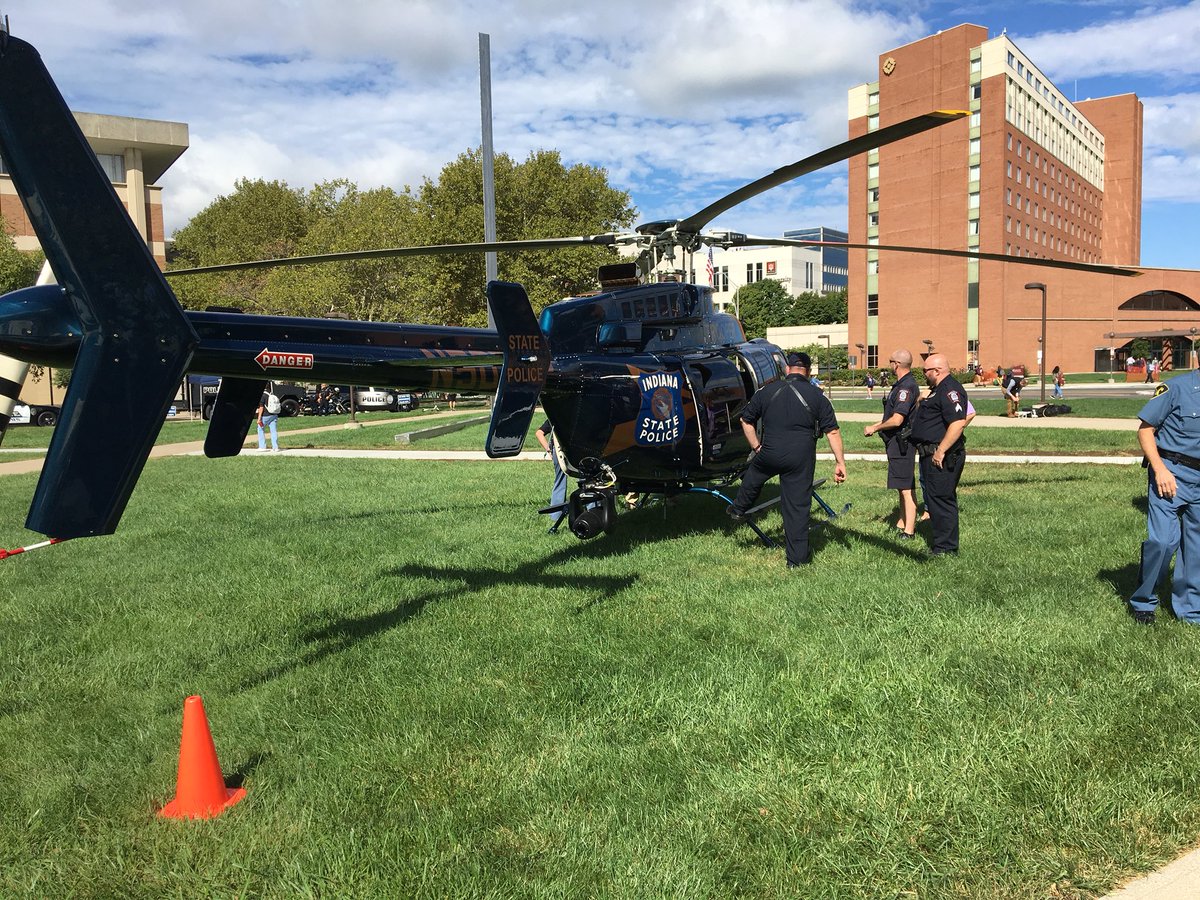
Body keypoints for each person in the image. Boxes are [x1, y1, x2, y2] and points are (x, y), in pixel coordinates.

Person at [727, 352, 847, 567]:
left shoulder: (766, 391)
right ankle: (796, 561)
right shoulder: (817, 396)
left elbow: (746, 421)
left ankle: (738, 508)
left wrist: (756, 446)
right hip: (800, 458)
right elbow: (833, 432)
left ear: (787, 369)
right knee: (797, 508)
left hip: (770, 452)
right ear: (808, 372)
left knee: (754, 475)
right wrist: (840, 463)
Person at [1126, 372, 1200, 625]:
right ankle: (1143, 602)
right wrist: (1160, 470)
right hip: (1171, 472)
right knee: (1163, 542)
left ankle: (1190, 611)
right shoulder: (1176, 388)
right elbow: (1145, 431)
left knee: (1196, 548)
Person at [908, 354, 968, 556]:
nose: (923, 374)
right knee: (934, 498)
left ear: (937, 371)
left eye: (926, 371)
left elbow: (958, 422)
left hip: (942, 454)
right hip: (929, 452)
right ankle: (941, 543)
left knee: (942, 499)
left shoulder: (950, 390)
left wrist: (941, 450)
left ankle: (946, 548)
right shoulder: (937, 390)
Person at [863, 348, 919, 540]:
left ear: (896, 364)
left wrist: (875, 427)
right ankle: (903, 522)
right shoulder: (904, 384)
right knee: (901, 485)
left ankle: (909, 531)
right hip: (896, 442)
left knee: (906, 487)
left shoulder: (905, 388)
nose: (889, 366)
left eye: (890, 362)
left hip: (901, 442)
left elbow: (897, 420)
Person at [535, 419, 567, 531]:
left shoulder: (553, 416)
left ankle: (555, 514)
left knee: (559, 481)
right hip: (577, 450)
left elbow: (539, 433)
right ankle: (593, 508)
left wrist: (549, 450)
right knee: (587, 479)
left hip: (558, 452)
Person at [257, 384, 281, 452]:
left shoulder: (263, 395)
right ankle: (275, 447)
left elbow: (261, 408)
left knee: (260, 429)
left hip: (265, 416)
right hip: (274, 415)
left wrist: (259, 419)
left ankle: (262, 446)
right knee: (273, 431)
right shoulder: (271, 394)